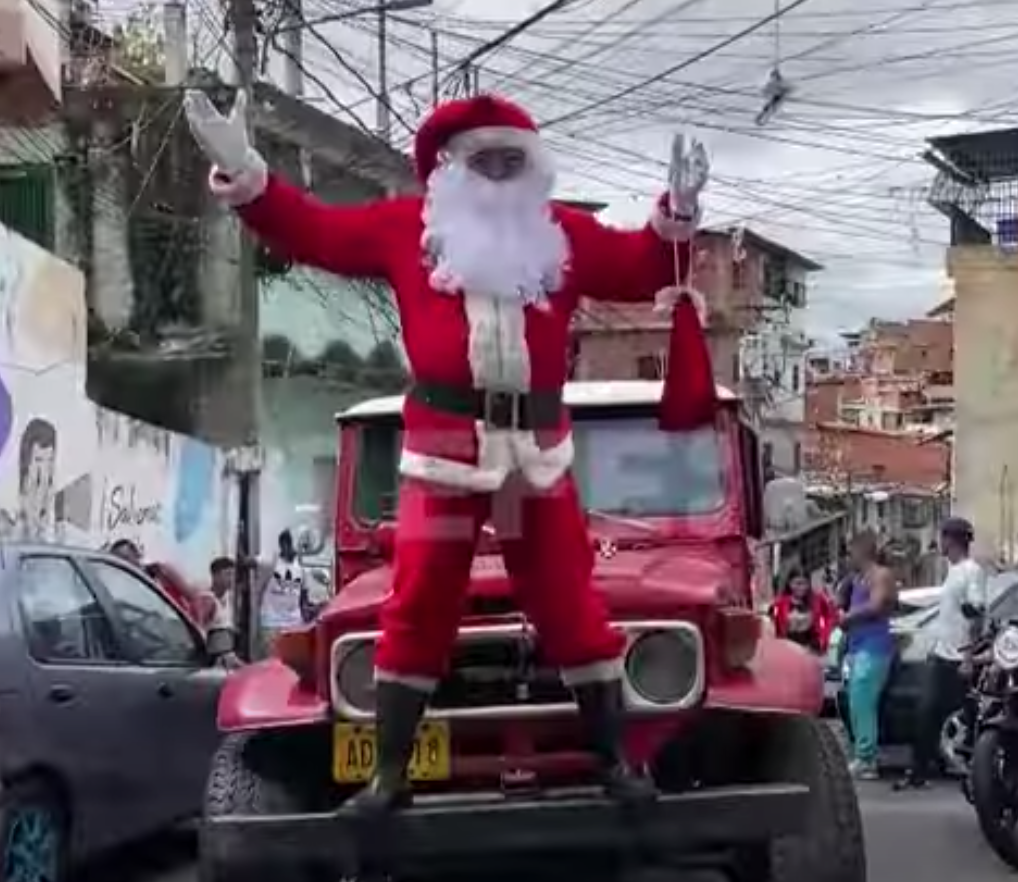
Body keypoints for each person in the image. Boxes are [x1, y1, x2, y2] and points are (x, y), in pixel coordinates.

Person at [182, 88, 714, 817]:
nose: (498, 174)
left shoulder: (560, 236)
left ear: (533, 170)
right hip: (445, 455)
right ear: (450, 171)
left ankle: (617, 763)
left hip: (534, 459)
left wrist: (675, 211)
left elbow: (637, 266)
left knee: (568, 598)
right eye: (484, 161)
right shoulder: (408, 229)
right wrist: (247, 173)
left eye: (511, 160)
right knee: (422, 600)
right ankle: (390, 777)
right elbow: (316, 233)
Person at [897, 517, 987, 791]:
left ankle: (974, 767)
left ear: (953, 540)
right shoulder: (953, 570)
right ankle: (921, 770)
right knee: (931, 712)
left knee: (958, 713)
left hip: (959, 658)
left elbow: (976, 613)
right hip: (942, 653)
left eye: (943, 538)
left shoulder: (972, 571)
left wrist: (970, 658)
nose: (941, 544)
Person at [841, 532, 896, 781]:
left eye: (851, 551)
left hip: (874, 647)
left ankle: (867, 759)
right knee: (856, 703)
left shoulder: (881, 575)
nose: (848, 556)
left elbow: (877, 605)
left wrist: (849, 617)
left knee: (863, 702)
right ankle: (862, 754)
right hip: (856, 646)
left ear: (862, 550)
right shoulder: (856, 579)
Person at [770, 569, 837, 653]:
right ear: (790, 584)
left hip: (811, 650)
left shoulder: (817, 600)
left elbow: (831, 616)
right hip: (787, 650)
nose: (802, 588)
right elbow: (773, 624)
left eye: (805, 583)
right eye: (798, 583)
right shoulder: (780, 604)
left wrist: (824, 637)